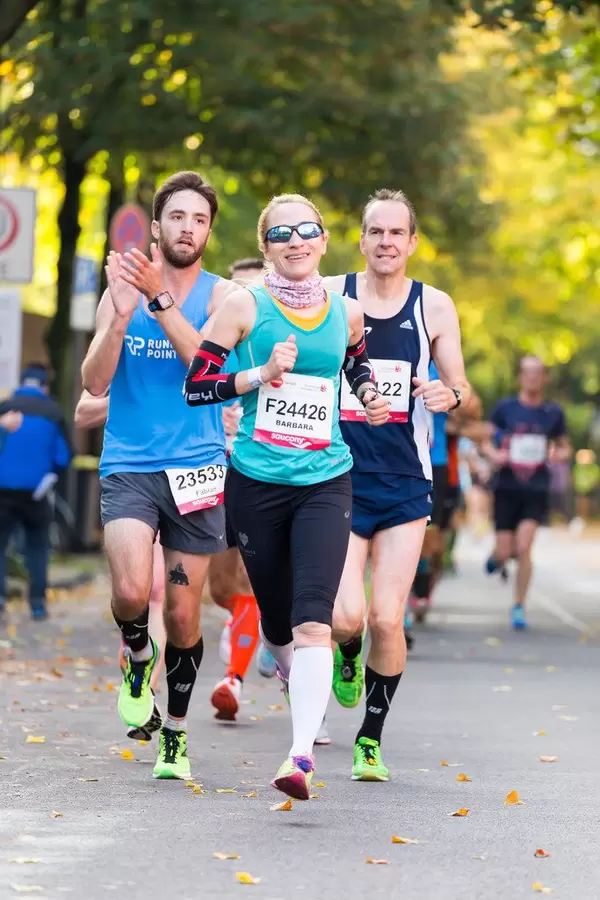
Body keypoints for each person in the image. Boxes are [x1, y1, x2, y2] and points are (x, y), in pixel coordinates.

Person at [183, 193, 389, 799]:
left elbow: (355, 364)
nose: (295, 241)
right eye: (281, 233)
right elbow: (198, 387)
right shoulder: (244, 306)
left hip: (327, 479)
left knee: (313, 622)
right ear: (267, 244)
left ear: (324, 242)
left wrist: (370, 394)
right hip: (257, 481)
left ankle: (299, 757)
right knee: (275, 618)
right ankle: (287, 676)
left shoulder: (346, 312)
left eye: (307, 231)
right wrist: (259, 375)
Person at [82, 170, 236, 780]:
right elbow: (94, 383)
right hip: (129, 464)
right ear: (156, 226)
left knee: (182, 612)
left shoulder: (224, 297)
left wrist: (160, 301)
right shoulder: (118, 288)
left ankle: (174, 733)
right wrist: (119, 320)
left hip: (197, 470)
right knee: (127, 594)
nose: (188, 228)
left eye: (199, 219)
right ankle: (137, 656)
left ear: (208, 232)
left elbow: (206, 368)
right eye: (178, 217)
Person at [323, 188, 471, 782]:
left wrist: (448, 394)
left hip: (406, 481)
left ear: (411, 243)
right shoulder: (332, 294)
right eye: (375, 232)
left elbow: (461, 388)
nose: (385, 243)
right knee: (345, 619)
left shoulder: (433, 306)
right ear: (361, 239)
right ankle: (348, 657)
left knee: (388, 618)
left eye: (396, 234)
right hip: (337, 474)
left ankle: (370, 739)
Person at [74, 389, 165, 742]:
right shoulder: (124, 341)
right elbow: (84, 413)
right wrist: (136, 398)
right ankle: (139, 673)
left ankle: (146, 692)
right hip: (132, 480)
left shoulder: (203, 339)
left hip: (187, 475)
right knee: (134, 594)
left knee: (162, 594)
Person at [482, 355, 572, 629]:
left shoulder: (553, 413)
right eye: (527, 372)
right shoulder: (506, 408)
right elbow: (484, 438)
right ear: (520, 377)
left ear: (544, 378)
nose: (533, 377)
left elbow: (566, 447)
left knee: (524, 547)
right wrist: (495, 454)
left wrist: (559, 455)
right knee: (506, 550)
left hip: (536, 487)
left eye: (538, 373)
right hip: (507, 487)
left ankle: (519, 606)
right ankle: (497, 557)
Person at [0, 365, 72, 620]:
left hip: (3, 491)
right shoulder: (53, 412)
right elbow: (62, 457)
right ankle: (38, 604)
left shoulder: (5, 408)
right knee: (37, 548)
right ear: (45, 387)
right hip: (36, 494)